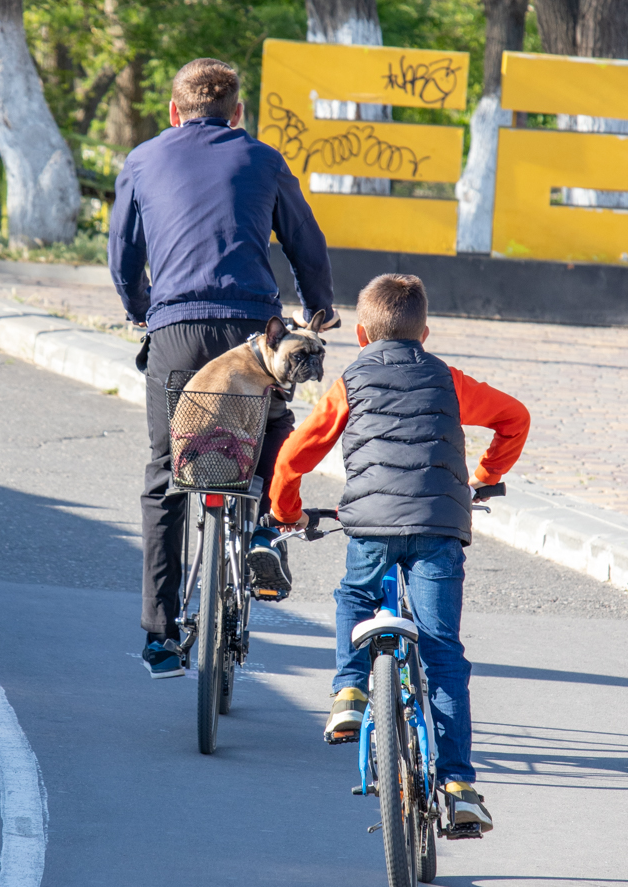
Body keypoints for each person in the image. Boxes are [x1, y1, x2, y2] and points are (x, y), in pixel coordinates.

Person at [267, 274, 530, 831]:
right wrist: (484, 476)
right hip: (438, 526)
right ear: (425, 333)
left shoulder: (350, 380)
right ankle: (458, 784)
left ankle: (349, 690)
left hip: (369, 525)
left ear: (361, 333)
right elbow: (514, 417)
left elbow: (294, 456)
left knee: (355, 595)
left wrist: (287, 511)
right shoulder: (449, 379)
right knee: (442, 656)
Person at [108, 58, 337, 679]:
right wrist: (318, 307)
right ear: (238, 113)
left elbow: (124, 254)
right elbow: (304, 240)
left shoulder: (143, 159)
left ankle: (160, 635)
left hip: (176, 331)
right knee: (269, 432)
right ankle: (263, 532)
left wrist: (139, 311)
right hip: (248, 332)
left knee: (165, 475)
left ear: (174, 112)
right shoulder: (262, 158)